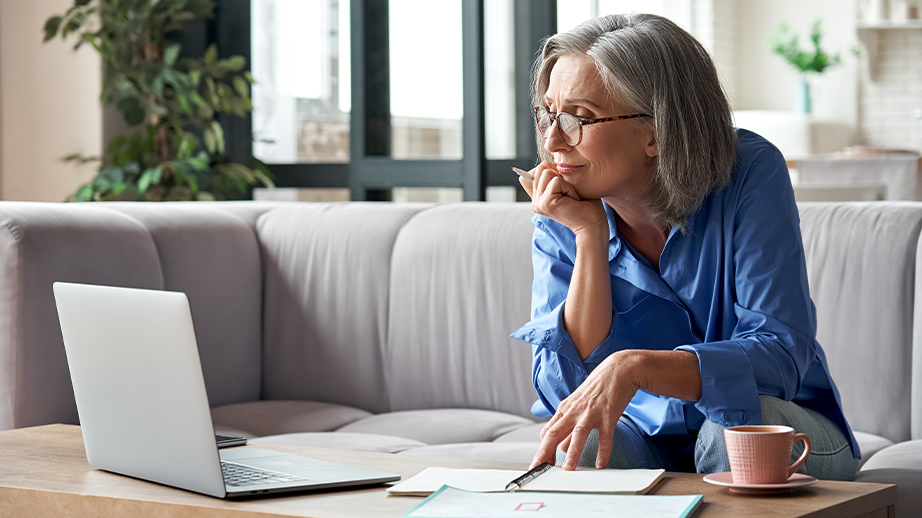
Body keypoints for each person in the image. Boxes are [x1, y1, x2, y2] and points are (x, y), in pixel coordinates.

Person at [510, 13, 860, 480]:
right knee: (586, 441)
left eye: (580, 118)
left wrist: (637, 367)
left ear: (656, 131)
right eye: (547, 114)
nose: (553, 140)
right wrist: (588, 237)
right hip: (646, 435)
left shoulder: (750, 172)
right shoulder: (565, 204)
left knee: (730, 432)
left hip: (780, 424)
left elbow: (780, 355)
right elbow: (566, 391)